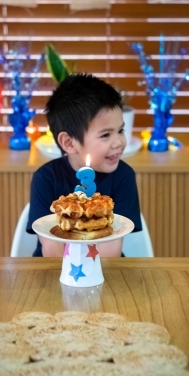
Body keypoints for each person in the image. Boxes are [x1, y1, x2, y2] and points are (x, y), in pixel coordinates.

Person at [26, 73, 142, 257]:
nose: (119, 142)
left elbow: (113, 245)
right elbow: (50, 246)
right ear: (69, 143)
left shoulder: (124, 176)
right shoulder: (46, 178)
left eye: (120, 130)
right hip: (55, 271)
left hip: (105, 270)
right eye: (105, 135)